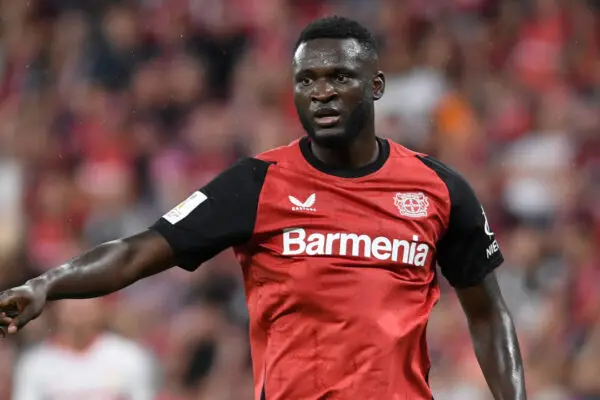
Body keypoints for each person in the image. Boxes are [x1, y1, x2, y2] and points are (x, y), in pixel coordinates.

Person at [0, 16, 526, 400]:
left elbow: (487, 314)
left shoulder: (438, 188)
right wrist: (48, 284)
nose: (321, 92)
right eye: (306, 80)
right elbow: (139, 251)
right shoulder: (257, 183)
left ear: (376, 85)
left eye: (339, 77)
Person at [12, 298, 157, 400]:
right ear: (55, 307)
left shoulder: (130, 356)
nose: (78, 304)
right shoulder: (34, 364)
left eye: (85, 297)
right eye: (70, 297)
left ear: (101, 307)